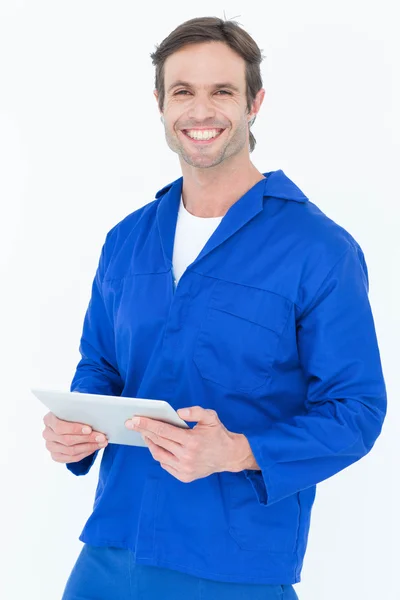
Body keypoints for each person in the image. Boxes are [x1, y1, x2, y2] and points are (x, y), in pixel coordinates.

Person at [42, 16, 387, 600]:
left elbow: (357, 409)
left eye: (221, 91)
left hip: (233, 565)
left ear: (255, 102)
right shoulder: (127, 239)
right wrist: (76, 427)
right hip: (110, 552)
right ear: (160, 104)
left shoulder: (318, 249)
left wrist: (241, 450)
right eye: (183, 92)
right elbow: (101, 366)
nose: (201, 112)